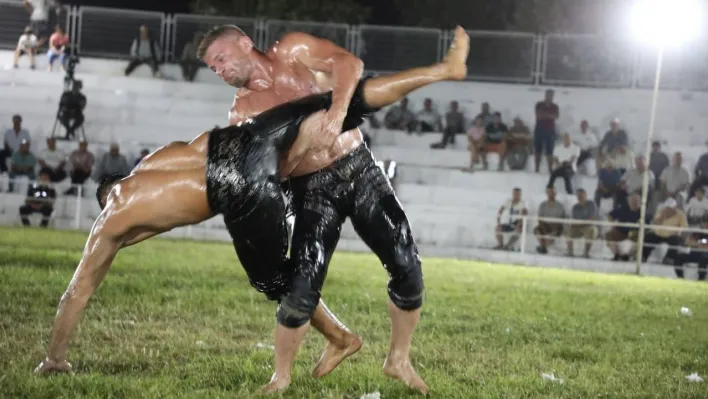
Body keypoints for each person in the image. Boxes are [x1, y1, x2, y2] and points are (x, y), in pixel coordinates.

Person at [33, 52, 470, 396]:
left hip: (242, 191)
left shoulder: (113, 221)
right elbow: (188, 160)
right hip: (241, 145)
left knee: (276, 278)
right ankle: (438, 72)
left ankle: (337, 337)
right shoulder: (153, 163)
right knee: (340, 104)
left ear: (106, 196)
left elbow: (78, 292)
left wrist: (55, 356)